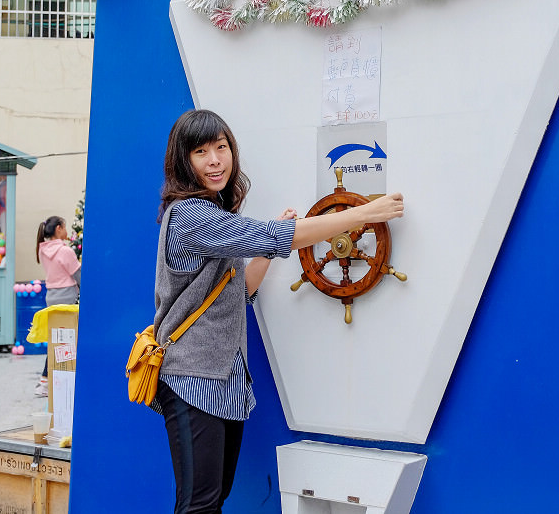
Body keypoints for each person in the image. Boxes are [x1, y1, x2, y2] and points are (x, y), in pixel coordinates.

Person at [151, 109, 404, 514]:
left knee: (214, 500)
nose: (215, 160)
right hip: (191, 375)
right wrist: (362, 214)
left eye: (222, 147)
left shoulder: (216, 215)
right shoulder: (189, 217)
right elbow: (268, 235)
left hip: (224, 377)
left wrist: (270, 246)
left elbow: (241, 290)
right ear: (184, 161)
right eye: (201, 152)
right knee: (198, 506)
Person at [34, 215, 81, 397]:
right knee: (67, 340)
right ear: (59, 228)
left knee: (57, 340)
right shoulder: (65, 251)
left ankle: (48, 381)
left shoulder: (42, 250)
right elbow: (78, 276)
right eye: (65, 227)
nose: (67, 232)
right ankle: (47, 381)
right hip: (68, 298)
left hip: (51, 298)